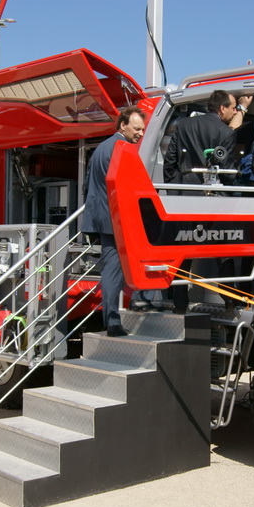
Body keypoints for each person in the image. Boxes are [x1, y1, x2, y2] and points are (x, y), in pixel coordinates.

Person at [163, 90, 252, 313]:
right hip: (213, 200)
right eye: (232, 108)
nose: (234, 112)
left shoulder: (184, 125)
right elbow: (227, 172)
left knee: (183, 251)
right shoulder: (225, 132)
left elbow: (170, 161)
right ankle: (229, 298)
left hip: (184, 199)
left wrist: (176, 189)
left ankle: (180, 303)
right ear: (222, 108)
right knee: (223, 248)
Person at [80, 106, 146, 336]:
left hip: (101, 217)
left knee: (112, 270)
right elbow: (129, 186)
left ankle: (117, 316)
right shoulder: (122, 149)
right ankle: (115, 320)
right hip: (117, 219)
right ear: (123, 125)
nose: (140, 134)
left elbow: (88, 185)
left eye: (142, 130)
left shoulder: (101, 148)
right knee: (115, 271)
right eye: (136, 129)